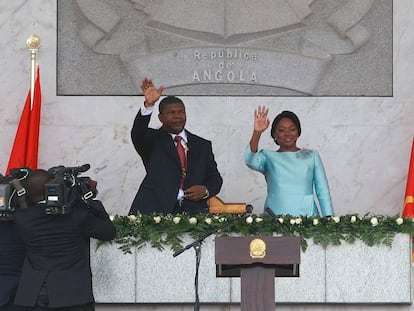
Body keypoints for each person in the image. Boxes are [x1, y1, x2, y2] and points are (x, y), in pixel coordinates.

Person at [13, 169, 116, 311]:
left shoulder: (22, 218)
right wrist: (89, 199)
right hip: (73, 295)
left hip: (37, 295)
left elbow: (30, 206)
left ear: (28, 192)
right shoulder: (77, 215)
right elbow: (108, 232)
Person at [129, 77, 223, 215]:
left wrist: (205, 190)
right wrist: (148, 105)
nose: (177, 116)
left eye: (181, 112)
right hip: (154, 212)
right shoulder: (151, 140)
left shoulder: (202, 145)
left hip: (193, 213)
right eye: (171, 113)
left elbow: (215, 178)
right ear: (160, 117)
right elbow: (138, 132)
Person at [244, 106, 333, 217]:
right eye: (281, 130)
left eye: (292, 129)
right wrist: (257, 132)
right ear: (274, 135)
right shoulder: (268, 156)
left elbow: (323, 191)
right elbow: (250, 160)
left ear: (298, 132)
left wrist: (329, 218)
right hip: (274, 216)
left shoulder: (311, 156)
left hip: (307, 217)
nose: (287, 133)